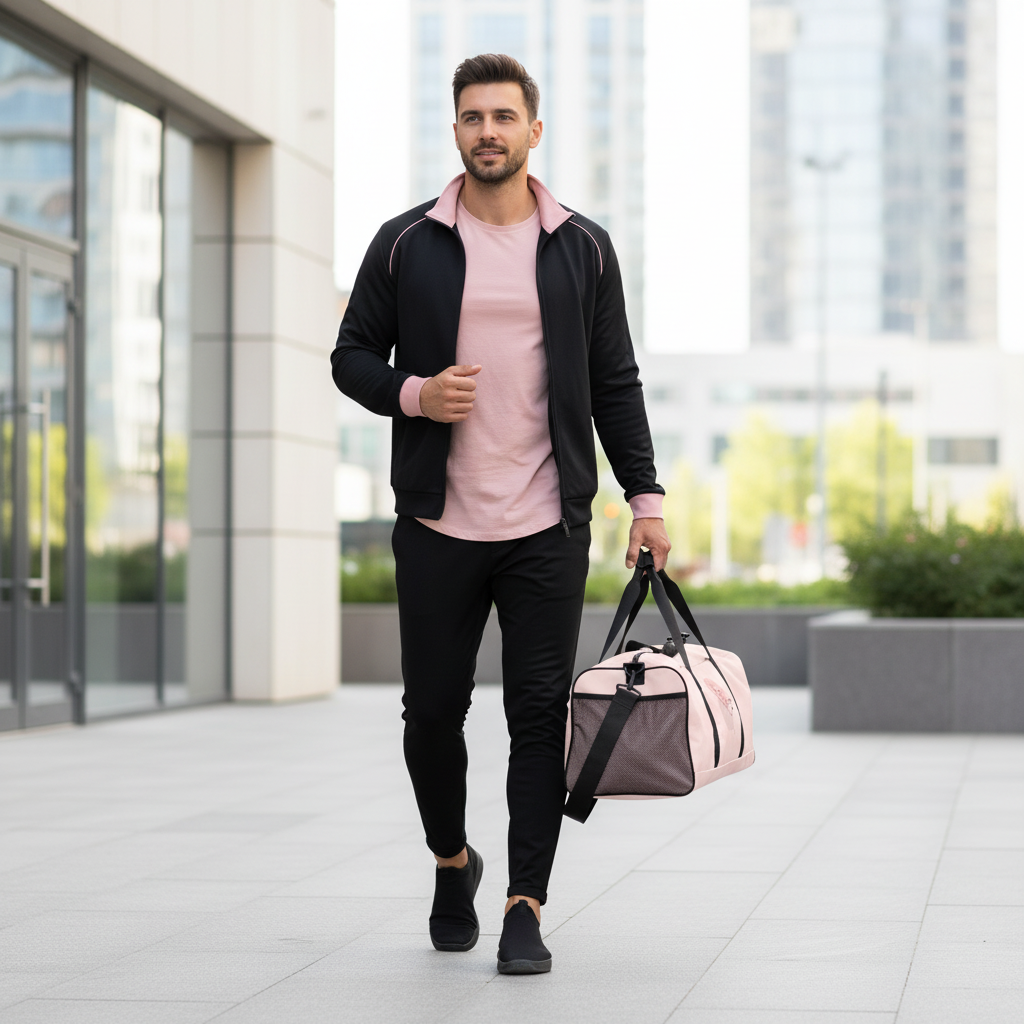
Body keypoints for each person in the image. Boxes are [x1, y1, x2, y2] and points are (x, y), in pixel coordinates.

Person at [332, 53, 670, 975]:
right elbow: (351, 355)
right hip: (437, 521)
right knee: (431, 714)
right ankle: (454, 861)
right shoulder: (407, 242)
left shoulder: (582, 246)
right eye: (473, 118)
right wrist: (414, 394)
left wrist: (644, 496)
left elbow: (614, 380)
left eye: (504, 117)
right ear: (455, 133)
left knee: (535, 717)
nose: (489, 132)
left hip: (546, 523)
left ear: (534, 131)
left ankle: (526, 903)